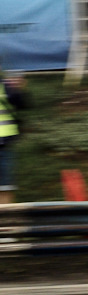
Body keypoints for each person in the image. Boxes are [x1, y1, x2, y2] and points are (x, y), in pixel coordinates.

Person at [0, 73, 27, 204]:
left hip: (4, 144)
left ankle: (5, 221)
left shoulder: (7, 86)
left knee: (5, 186)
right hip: (5, 144)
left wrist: (19, 89)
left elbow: (23, 104)